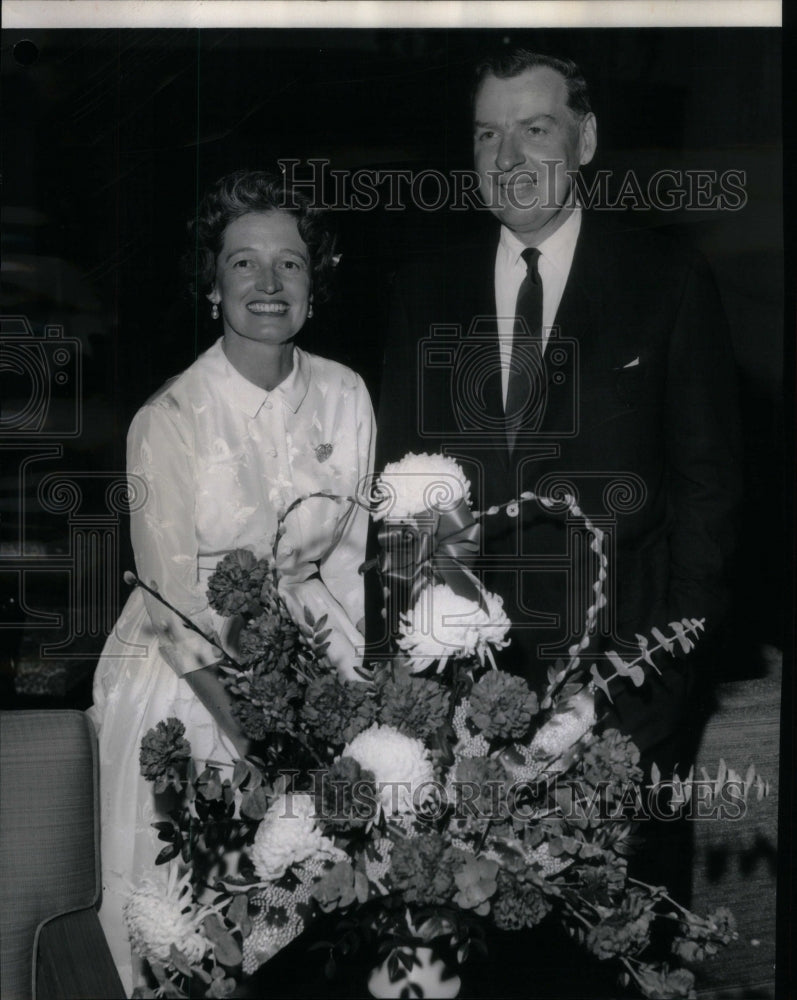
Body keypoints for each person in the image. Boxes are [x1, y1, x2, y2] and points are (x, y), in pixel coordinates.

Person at [377, 48, 742, 789]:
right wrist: (410, 693)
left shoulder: (666, 280)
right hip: (462, 710)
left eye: (534, 129)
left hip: (625, 706)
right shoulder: (424, 290)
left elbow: (710, 495)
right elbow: (394, 504)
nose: (507, 156)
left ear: (585, 140)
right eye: (486, 135)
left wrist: (649, 681)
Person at [89, 169, 375, 993]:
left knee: (311, 925)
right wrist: (256, 741)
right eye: (243, 263)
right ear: (211, 286)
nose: (267, 283)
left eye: (288, 264)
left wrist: (360, 707)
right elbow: (172, 606)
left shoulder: (346, 393)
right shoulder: (167, 420)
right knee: (192, 922)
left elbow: (353, 566)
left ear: (313, 286)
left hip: (315, 661)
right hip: (188, 685)